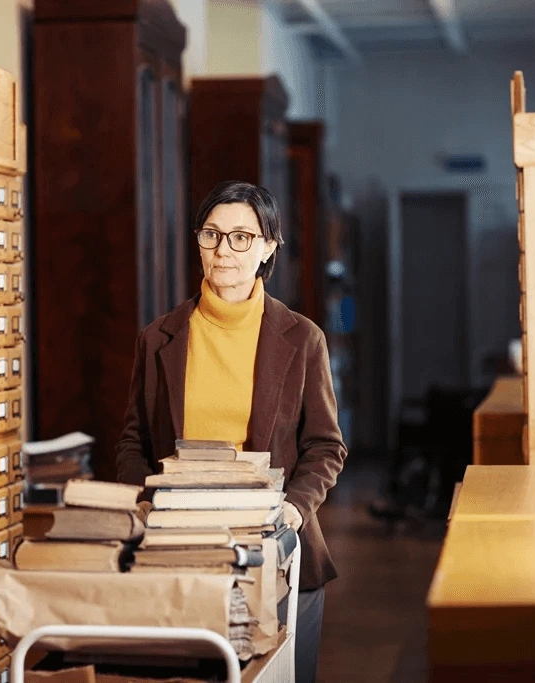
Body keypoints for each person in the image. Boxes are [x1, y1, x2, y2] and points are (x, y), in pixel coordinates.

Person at [116, 180, 347, 683]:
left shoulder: (303, 338)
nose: (224, 250)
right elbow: (134, 442)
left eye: (242, 237)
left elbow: (326, 446)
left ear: (268, 247)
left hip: (277, 550)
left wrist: (293, 508)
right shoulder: (159, 338)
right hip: (180, 553)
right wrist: (146, 507)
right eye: (212, 234)